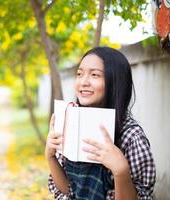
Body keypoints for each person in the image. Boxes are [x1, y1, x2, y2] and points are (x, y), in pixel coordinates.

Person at [45, 47, 156, 200]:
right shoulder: (71, 124)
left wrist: (121, 171)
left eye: (95, 75)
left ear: (115, 82)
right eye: (79, 74)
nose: (83, 82)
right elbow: (68, 191)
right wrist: (51, 157)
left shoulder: (131, 137)